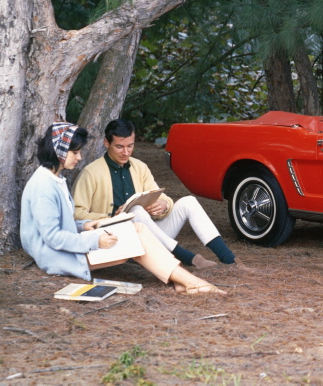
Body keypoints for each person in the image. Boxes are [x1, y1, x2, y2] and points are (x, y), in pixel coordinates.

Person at [20, 122, 225, 295]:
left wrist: (85, 225)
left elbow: (64, 224)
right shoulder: (43, 186)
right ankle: (189, 281)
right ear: (59, 152)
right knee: (135, 235)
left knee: (138, 230)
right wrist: (95, 239)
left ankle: (183, 281)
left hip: (75, 245)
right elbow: (53, 237)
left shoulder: (55, 179)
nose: (80, 157)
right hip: (60, 256)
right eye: (75, 152)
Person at [73, 119, 240, 270]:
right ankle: (185, 256)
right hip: (116, 239)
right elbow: (77, 214)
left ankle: (229, 259)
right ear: (106, 143)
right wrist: (110, 217)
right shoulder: (91, 173)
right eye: (119, 146)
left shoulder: (140, 167)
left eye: (130, 146)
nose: (125, 152)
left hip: (151, 236)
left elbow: (160, 196)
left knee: (188, 201)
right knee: (136, 212)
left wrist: (164, 205)